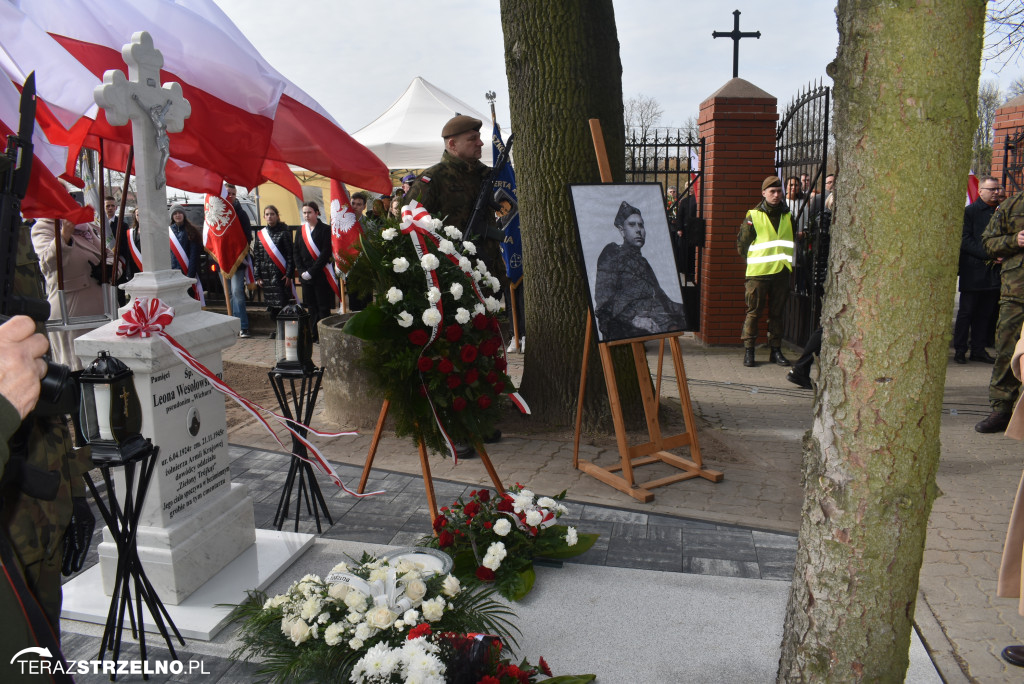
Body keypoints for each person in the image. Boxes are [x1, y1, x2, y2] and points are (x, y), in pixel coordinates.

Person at [404, 114, 507, 455]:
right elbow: (410, 228)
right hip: (451, 283)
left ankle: (481, 418)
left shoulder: (485, 177)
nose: (480, 143)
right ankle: (453, 427)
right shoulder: (431, 181)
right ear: (452, 144)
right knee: (453, 356)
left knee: (485, 350)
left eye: (480, 137)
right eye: (472, 139)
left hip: (485, 275)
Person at [31, 215, 116, 370]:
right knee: (78, 368)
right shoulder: (43, 227)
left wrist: (109, 268)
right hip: (72, 311)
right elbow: (47, 264)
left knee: (108, 368)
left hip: (103, 306)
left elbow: (108, 254)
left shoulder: (85, 225)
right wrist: (64, 236)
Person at [594, 201, 687, 340]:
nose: (638, 230)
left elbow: (661, 298)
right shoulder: (612, 254)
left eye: (641, 225)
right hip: (624, 322)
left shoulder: (643, 262)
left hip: (654, 314)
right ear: (621, 230)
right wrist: (633, 318)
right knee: (669, 326)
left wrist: (685, 311)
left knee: (680, 319)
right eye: (632, 225)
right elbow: (604, 301)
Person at [977, 188, 1024, 433]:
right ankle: (1001, 409)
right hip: (1017, 295)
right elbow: (988, 243)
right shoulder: (1011, 205)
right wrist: (1014, 240)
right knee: (1006, 349)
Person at [737, 176, 794, 367]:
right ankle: (749, 350)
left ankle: (775, 351)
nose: (776, 195)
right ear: (764, 193)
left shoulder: (787, 215)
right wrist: (753, 260)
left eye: (779, 191)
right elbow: (742, 244)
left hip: (781, 273)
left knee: (777, 314)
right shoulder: (754, 216)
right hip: (758, 274)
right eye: (772, 192)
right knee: (754, 312)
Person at [953, 176, 1001, 365]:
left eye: (997, 189)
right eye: (992, 189)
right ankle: (960, 349)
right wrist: (989, 254)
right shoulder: (969, 212)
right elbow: (965, 240)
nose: (996, 192)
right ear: (980, 191)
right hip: (973, 270)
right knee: (967, 313)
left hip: (993, 273)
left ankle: (978, 350)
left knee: (985, 313)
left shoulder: (1000, 212)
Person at [292, 201, 333, 341]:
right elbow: (296, 252)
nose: (307, 215)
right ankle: (314, 334)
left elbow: (325, 253)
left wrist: (312, 271)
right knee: (311, 307)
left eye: (309, 212)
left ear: (316, 212)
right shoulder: (300, 230)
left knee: (323, 306)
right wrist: (302, 271)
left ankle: (325, 335)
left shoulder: (325, 229)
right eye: (304, 212)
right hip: (305, 276)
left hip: (320, 274)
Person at [253, 205, 293, 339]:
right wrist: (257, 276)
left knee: (282, 305)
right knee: (272, 308)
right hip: (266, 277)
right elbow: (257, 257)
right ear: (264, 217)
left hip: (280, 276)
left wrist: (289, 274)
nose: (269, 217)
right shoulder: (261, 235)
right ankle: (278, 329)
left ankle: (285, 331)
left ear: (277, 216)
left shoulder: (284, 233)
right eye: (267, 214)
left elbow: (289, 256)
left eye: (272, 214)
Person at [225, 184, 254, 338]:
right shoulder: (218, 212)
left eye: (233, 193)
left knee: (237, 293)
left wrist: (240, 254)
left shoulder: (241, 214)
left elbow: (248, 236)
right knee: (229, 294)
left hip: (237, 260)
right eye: (227, 193)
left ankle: (243, 326)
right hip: (223, 261)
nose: (230, 196)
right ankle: (232, 325)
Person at [168, 203, 203, 303]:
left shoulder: (191, 231)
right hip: (173, 273)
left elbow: (194, 255)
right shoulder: (168, 232)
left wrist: (190, 275)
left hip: (187, 272)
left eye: (180, 213)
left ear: (184, 215)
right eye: (175, 213)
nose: (178, 215)